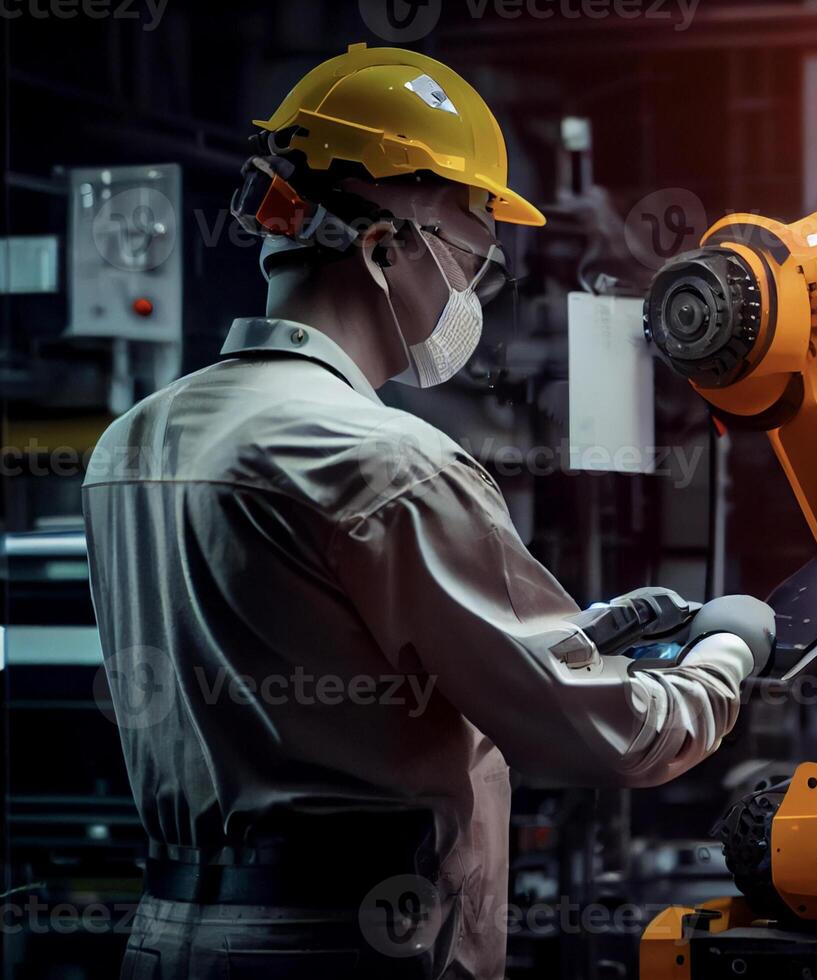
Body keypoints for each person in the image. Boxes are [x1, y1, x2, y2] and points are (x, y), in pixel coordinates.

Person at [82, 43, 773, 980]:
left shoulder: (132, 441)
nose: (472, 292)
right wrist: (727, 655)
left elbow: (314, 656)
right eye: (470, 259)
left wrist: (565, 639)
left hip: (166, 938)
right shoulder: (388, 461)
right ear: (384, 247)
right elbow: (610, 738)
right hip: (345, 944)